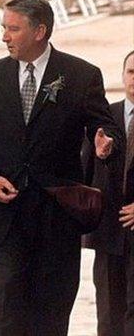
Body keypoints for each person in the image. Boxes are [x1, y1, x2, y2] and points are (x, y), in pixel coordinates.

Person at [0, 0, 123, 336]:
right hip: (7, 219)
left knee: (51, 316)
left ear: (40, 31)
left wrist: (105, 143)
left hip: (58, 220)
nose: (4, 36)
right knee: (5, 314)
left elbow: (106, 127)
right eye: (4, 28)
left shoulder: (81, 75)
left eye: (12, 29)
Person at [83, 50, 134, 336]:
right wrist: (100, 154)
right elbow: (84, 171)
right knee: (108, 309)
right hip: (108, 231)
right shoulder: (104, 117)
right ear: (123, 75)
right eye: (131, 72)